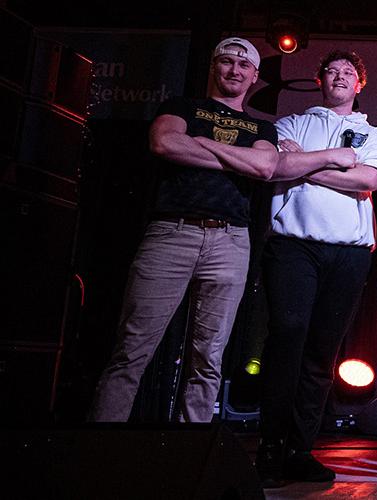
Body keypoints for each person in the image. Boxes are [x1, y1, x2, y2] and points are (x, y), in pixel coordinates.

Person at [89, 37, 278, 424]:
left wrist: (201, 143)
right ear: (214, 66)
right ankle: (100, 448)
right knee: (132, 349)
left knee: (208, 357)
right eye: (227, 62)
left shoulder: (262, 126)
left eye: (244, 66)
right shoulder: (182, 106)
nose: (234, 71)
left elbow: (264, 168)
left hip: (230, 239)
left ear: (255, 76)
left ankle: (191, 453)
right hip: (171, 233)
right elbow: (164, 143)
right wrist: (237, 158)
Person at [257, 49, 377, 485]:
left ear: (359, 84)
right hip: (294, 246)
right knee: (287, 339)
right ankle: (270, 448)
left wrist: (308, 163)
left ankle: (300, 449)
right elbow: (275, 165)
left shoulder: (372, 134)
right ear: (320, 80)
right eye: (331, 71)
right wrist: (335, 158)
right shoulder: (290, 124)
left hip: (349, 252)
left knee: (321, 353)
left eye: (348, 72)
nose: (339, 76)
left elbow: (368, 180)